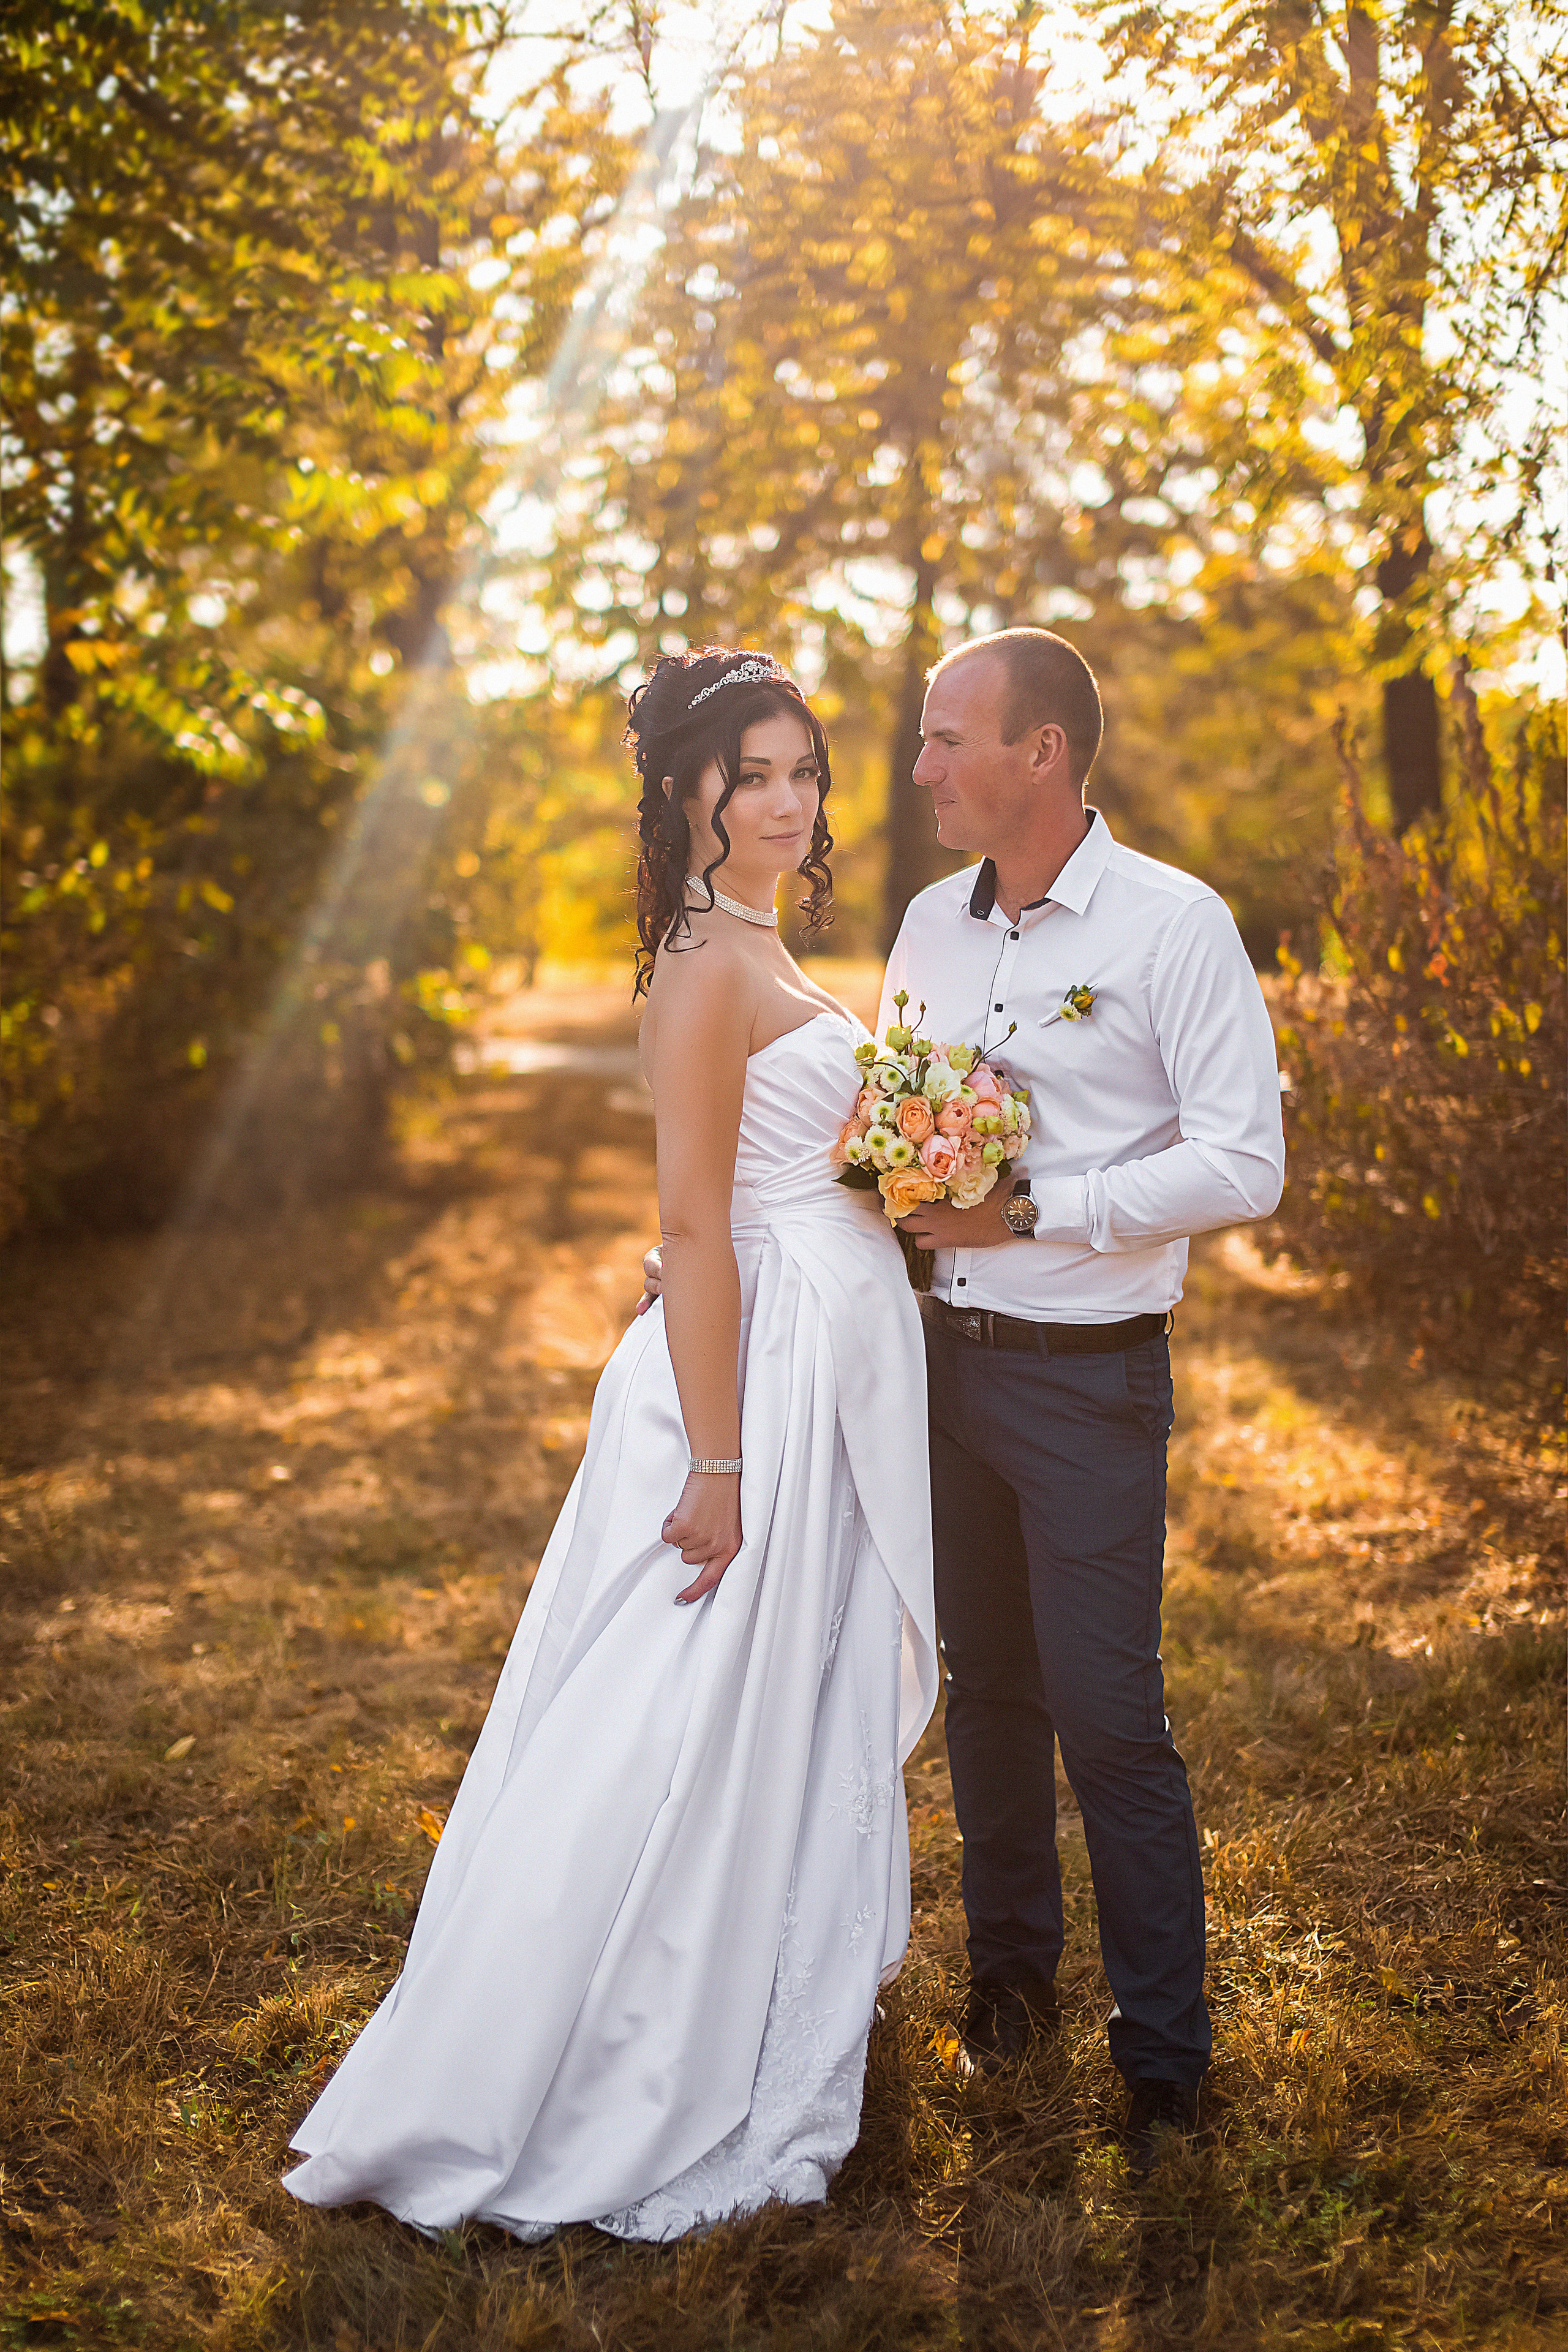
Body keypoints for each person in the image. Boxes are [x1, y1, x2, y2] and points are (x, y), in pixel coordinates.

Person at [282, 647, 937, 2240]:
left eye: (804, 773)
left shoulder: (759, 947)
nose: (786, 803)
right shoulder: (704, 968)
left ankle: (768, 1966)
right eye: (752, 776)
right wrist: (716, 1467)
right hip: (756, 1384)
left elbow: (778, 1185)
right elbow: (697, 1235)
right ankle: (618, 2042)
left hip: (816, 1346)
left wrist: (916, 1158)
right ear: (685, 793)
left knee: (778, 1692)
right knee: (688, 1697)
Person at [881, 627, 1284, 2171]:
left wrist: (1033, 1209)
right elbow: (891, 1128)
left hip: (1087, 1383)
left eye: (945, 739)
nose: (920, 769)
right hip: (936, 1372)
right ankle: (1007, 1983)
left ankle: (1163, 2053)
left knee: (1112, 1719)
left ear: (1039, 752)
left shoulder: (1175, 926)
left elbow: (1242, 1161)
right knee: (987, 1691)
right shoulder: (928, 922)